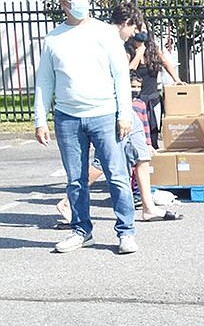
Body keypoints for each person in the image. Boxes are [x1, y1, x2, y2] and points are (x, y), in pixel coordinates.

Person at [33, 0, 139, 254]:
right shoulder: (53, 39)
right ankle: (81, 231)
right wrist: (40, 120)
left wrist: (124, 115)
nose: (81, 1)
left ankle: (126, 232)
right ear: (63, 3)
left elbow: (121, 76)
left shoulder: (105, 33)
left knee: (116, 175)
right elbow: (45, 81)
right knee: (75, 179)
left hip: (105, 114)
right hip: (68, 118)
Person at [56, 77, 185, 225]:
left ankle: (148, 207)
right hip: (110, 108)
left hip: (127, 107)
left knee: (142, 156)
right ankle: (68, 202)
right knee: (102, 161)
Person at [128, 22, 183, 149]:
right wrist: (139, 53)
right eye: (137, 29)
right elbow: (128, 70)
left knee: (153, 133)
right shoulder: (128, 49)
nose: (141, 32)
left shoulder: (153, 48)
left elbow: (166, 63)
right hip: (137, 100)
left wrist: (176, 79)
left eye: (144, 29)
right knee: (138, 135)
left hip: (153, 99)